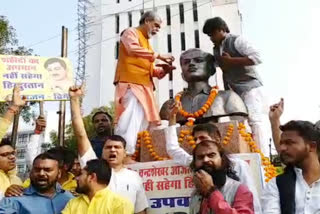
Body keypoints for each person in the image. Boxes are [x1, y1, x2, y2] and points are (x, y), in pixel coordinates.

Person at [165, 103, 261, 213]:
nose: (198, 143)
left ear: (217, 139)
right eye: (195, 139)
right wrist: (172, 118)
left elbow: (254, 204)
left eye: (203, 138)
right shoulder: (198, 164)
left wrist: (212, 192)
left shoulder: (238, 166)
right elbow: (173, 149)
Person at [69, 85, 149, 214]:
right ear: (102, 151)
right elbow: (81, 135)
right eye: (108, 147)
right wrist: (74, 100)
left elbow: (140, 211)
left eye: (117, 147)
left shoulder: (134, 177)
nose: (113, 150)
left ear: (125, 153)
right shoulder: (92, 168)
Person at [203, 17, 270, 155]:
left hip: (250, 87)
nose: (211, 38)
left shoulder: (237, 40)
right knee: (240, 124)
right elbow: (214, 65)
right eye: (209, 35)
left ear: (222, 29)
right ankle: (248, 154)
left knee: (255, 121)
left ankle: (262, 158)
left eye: (212, 34)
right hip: (234, 92)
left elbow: (257, 57)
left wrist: (231, 61)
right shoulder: (216, 49)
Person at [113, 10, 175, 159]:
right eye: (156, 25)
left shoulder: (147, 43)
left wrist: (163, 71)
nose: (157, 30)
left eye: (159, 28)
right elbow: (132, 48)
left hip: (144, 86)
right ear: (147, 21)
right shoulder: (130, 32)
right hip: (131, 83)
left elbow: (149, 69)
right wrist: (159, 56)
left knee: (142, 121)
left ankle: (133, 154)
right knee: (129, 118)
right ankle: (124, 153)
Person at [160, 48, 248, 123]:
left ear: (211, 69)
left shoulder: (228, 98)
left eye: (198, 60)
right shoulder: (169, 105)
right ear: (182, 74)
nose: (191, 64)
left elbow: (238, 128)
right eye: (186, 62)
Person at [261, 120, 320, 213]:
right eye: (281, 143)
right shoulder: (276, 184)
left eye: (289, 143)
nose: (282, 148)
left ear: (312, 146)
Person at [189, 140, 254, 214]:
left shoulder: (239, 190)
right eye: (200, 157)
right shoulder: (196, 194)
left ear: (222, 159)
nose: (205, 160)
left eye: (211, 155)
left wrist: (211, 191)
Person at [0, 152, 73, 214]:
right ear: (31, 172)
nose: (41, 173)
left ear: (59, 173)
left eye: (47, 170)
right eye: (37, 170)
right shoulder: (14, 200)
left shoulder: (69, 198)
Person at [62, 159, 134, 214]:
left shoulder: (120, 204)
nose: (76, 178)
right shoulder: (73, 203)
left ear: (92, 177)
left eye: (81, 174)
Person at [6, 147, 78, 196]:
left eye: (48, 169)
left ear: (65, 166)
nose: (41, 173)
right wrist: (13, 190)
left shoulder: (78, 185)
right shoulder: (33, 181)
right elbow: (20, 192)